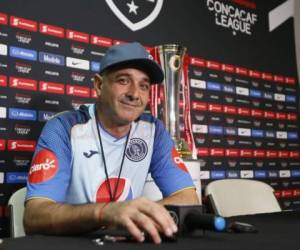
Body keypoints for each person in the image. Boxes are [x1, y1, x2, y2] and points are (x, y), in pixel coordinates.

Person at [24, 42, 199, 244]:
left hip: (126, 241)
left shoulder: (154, 131)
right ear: (99, 85)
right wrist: (106, 213)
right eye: (123, 80)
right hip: (74, 243)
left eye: (143, 85)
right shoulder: (63, 128)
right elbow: (34, 216)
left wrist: (135, 216)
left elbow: (187, 198)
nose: (135, 93)